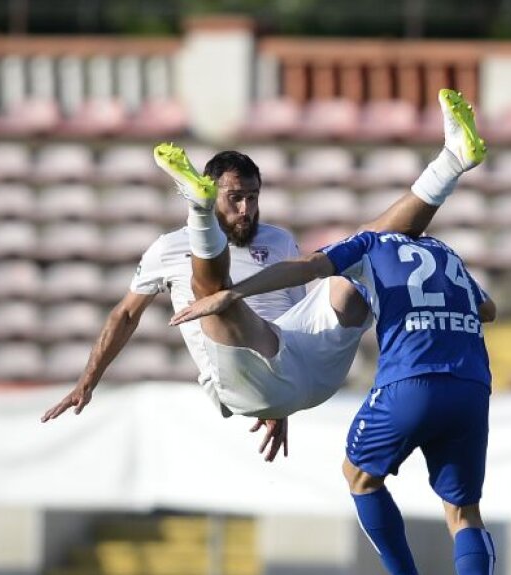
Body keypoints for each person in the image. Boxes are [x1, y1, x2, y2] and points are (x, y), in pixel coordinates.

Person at [42, 88, 487, 462]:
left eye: (253, 197)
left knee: (364, 249)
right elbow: (125, 316)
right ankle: (199, 211)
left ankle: (451, 160)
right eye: (234, 198)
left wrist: (284, 403)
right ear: (217, 192)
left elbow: (294, 318)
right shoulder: (166, 249)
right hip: (244, 380)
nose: (247, 209)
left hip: (304, 366)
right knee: (214, 295)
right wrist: (88, 382)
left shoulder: (277, 240)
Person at [170, 228, 498, 575]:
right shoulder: (446, 252)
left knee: (358, 476)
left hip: (411, 380)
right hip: (472, 387)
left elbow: (309, 266)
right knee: (463, 511)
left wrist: (233, 293)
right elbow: (488, 309)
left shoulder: (370, 243)